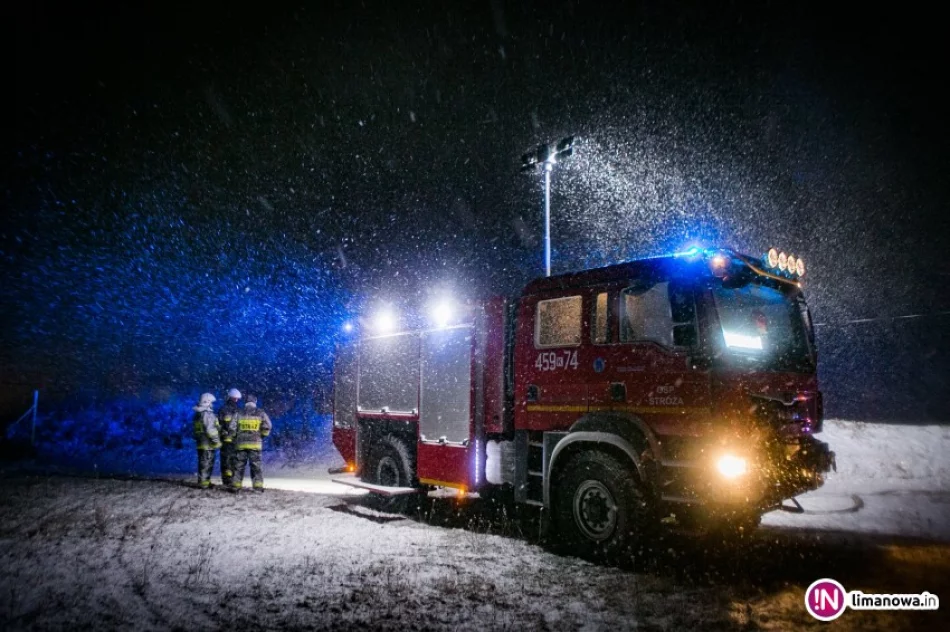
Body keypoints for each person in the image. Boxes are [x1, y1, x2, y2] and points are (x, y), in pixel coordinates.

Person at [228, 394, 272, 492]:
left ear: (246, 402)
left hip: (240, 444)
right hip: (255, 445)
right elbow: (268, 426)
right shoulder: (260, 413)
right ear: (255, 402)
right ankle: (258, 487)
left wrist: (234, 437)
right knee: (256, 466)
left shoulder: (239, 413)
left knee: (238, 466)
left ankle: (235, 486)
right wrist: (262, 435)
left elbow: (232, 427)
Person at [192, 392, 221, 489]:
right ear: (207, 402)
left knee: (203, 463)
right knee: (207, 464)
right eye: (211, 402)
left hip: (200, 443)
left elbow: (196, 431)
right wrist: (216, 441)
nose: (212, 404)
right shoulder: (207, 414)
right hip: (207, 444)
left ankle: (204, 482)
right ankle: (204, 484)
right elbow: (210, 430)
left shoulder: (197, 414)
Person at [218, 388, 242, 486]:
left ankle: (226, 481)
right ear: (237, 399)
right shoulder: (239, 411)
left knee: (225, 461)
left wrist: (223, 434)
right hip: (236, 441)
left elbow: (218, 425)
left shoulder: (222, 410)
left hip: (225, 441)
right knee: (235, 461)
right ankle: (234, 481)